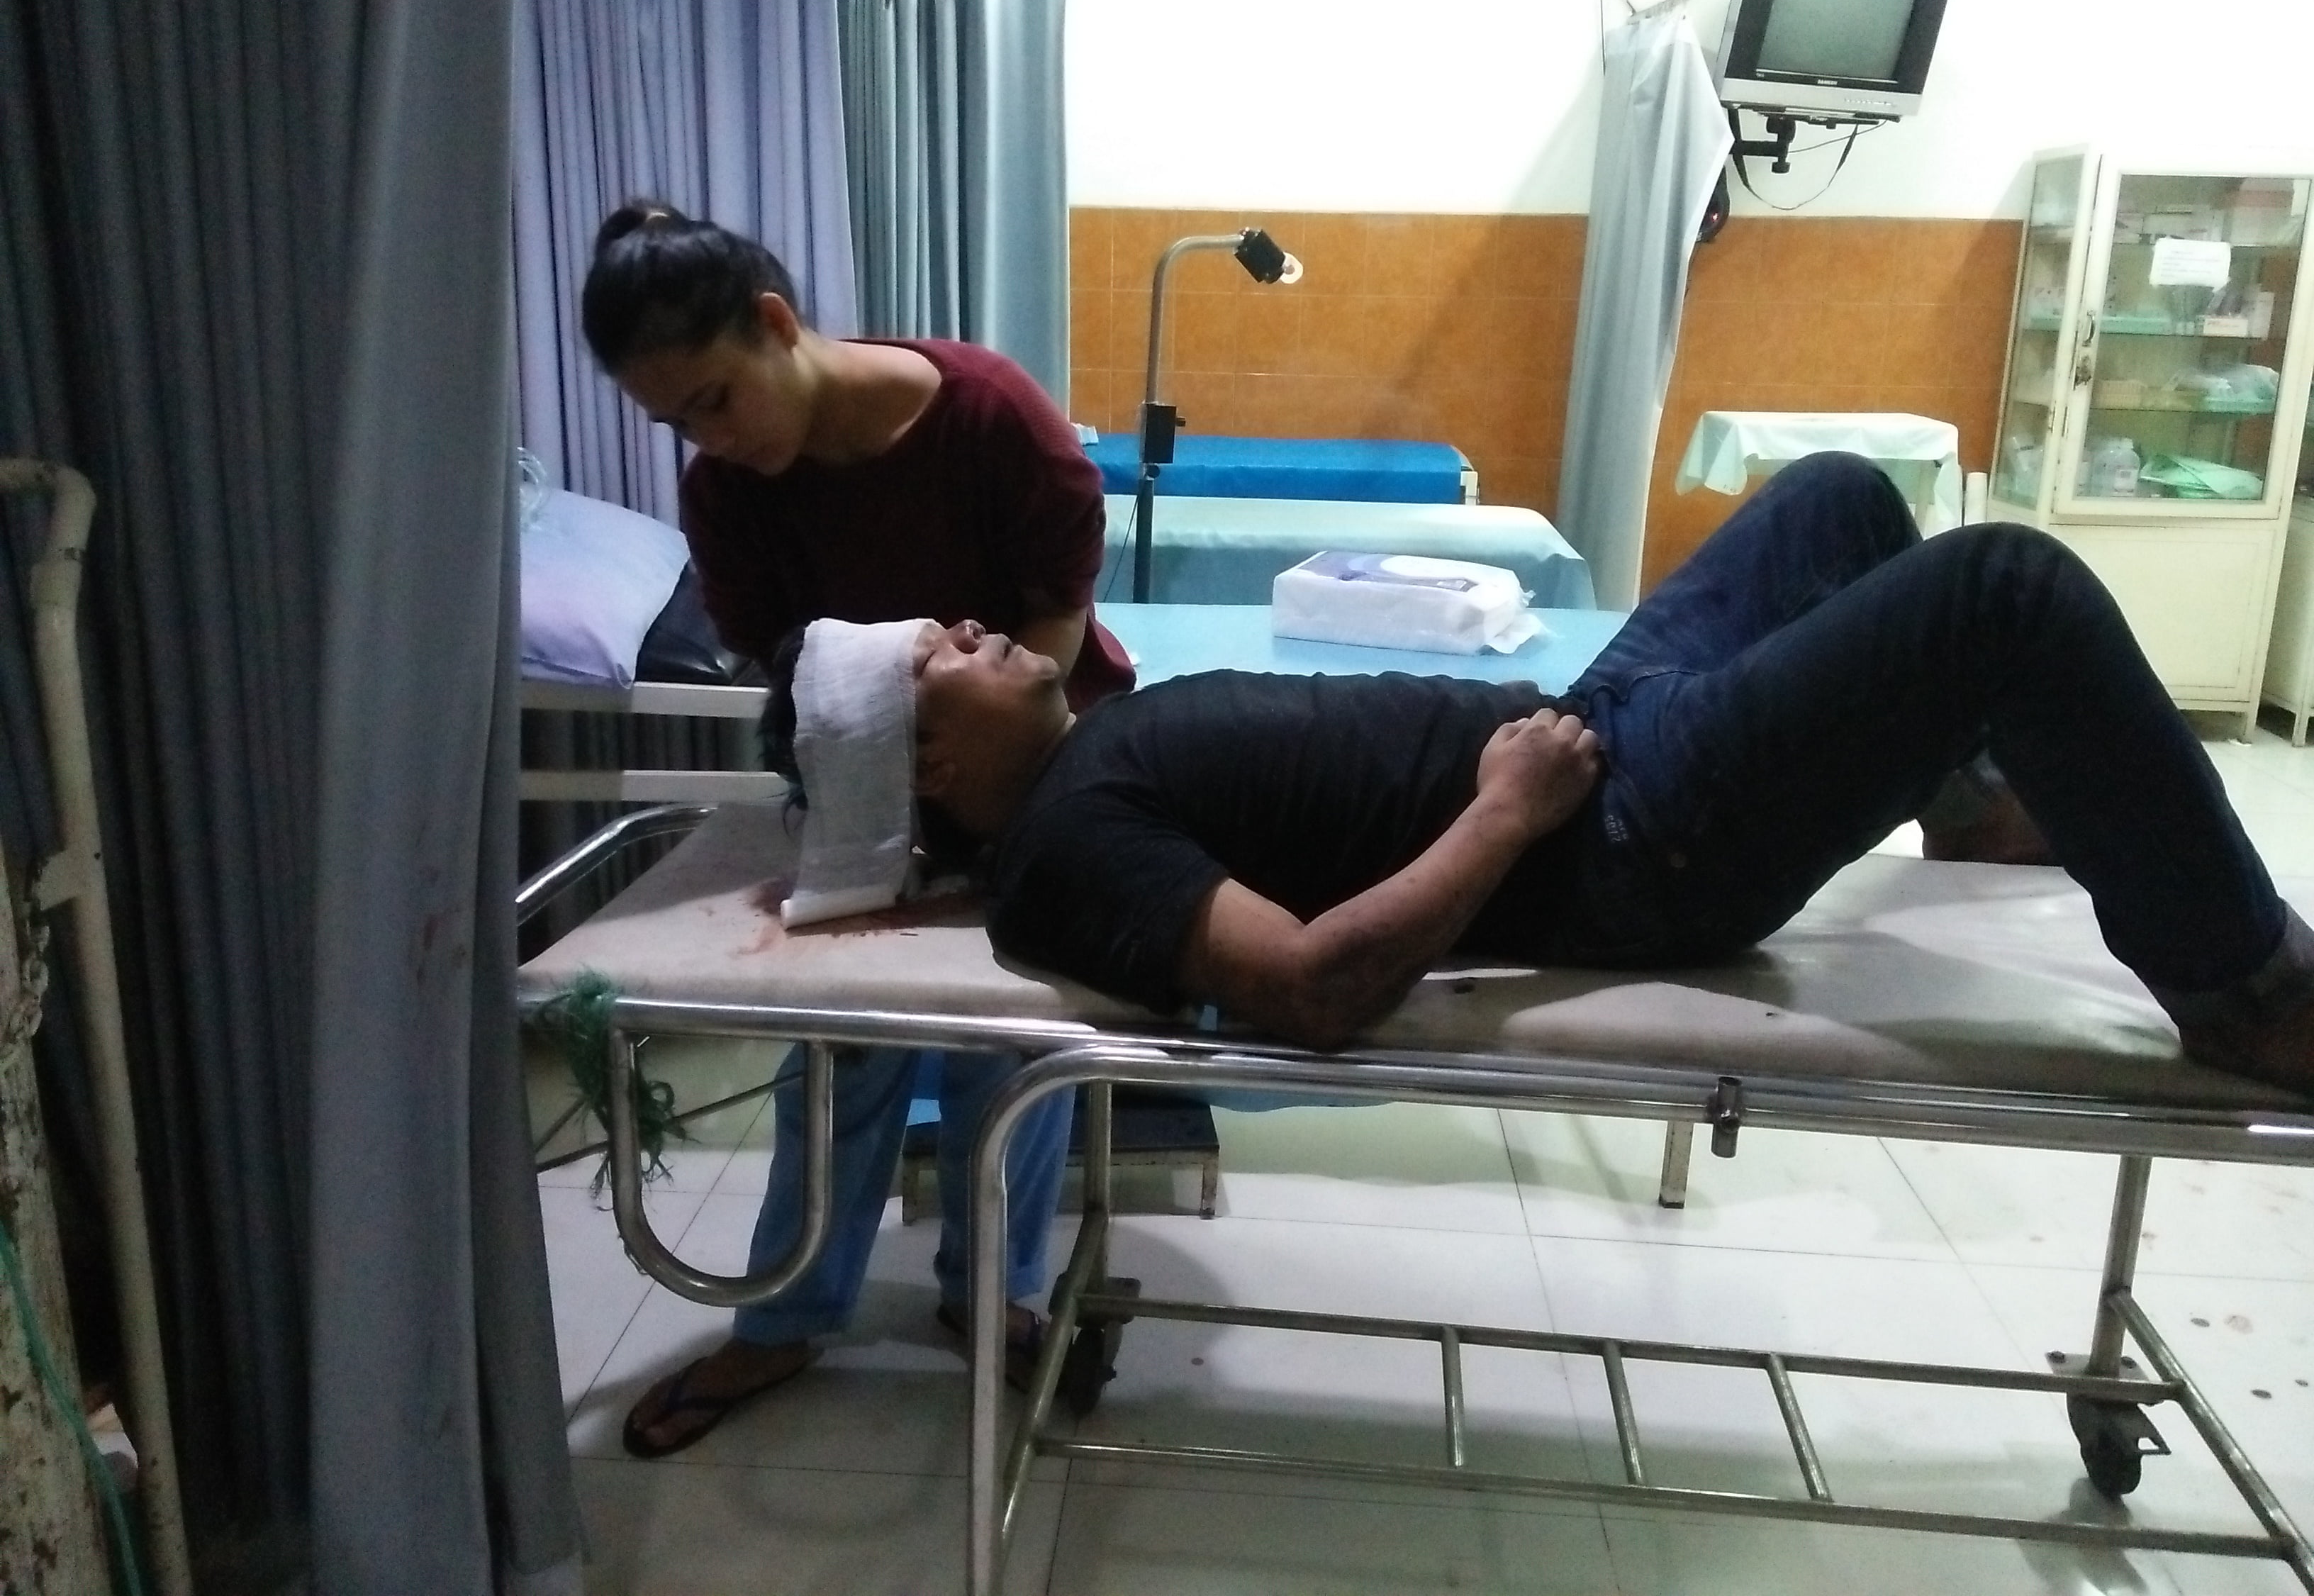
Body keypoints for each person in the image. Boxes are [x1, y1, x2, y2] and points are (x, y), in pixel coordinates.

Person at [777, 452, 2314, 1093]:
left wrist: (1531, 764)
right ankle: (2242, 987)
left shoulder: (1088, 748)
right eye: (932, 656)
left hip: (1591, 732)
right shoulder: (1062, 853)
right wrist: (1507, 812)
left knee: (1840, 499)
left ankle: (1964, 810)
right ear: (928, 762)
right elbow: (1311, 991)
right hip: (1628, 837)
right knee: (2005, 593)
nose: (965, 627)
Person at [581, 201, 1134, 1458]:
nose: (712, 438)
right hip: (864, 775)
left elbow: (1057, 613)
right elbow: (785, 663)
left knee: (1019, 1042)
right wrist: (882, 785)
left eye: (717, 400)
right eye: (680, 423)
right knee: (839, 1048)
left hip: (1038, 758)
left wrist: (989, 760)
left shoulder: (989, 415)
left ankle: (993, 1292)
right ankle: (788, 1315)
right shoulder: (729, 493)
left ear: (777, 324)